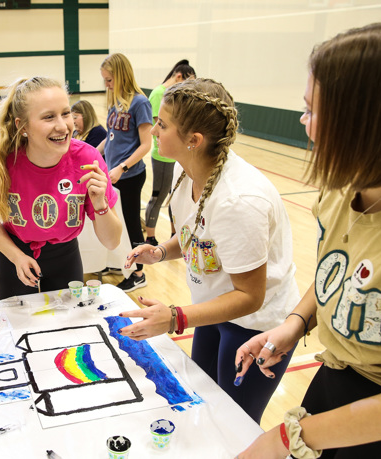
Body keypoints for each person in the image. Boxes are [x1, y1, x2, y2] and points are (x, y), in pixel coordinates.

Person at [235, 22, 381, 458]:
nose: (304, 123)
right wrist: (295, 323)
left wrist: (282, 440)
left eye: (313, 111)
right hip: (340, 377)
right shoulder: (346, 184)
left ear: (369, 124)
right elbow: (339, 274)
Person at [118, 78, 299, 424]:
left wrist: (175, 317)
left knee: (235, 425)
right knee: (202, 406)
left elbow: (250, 296)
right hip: (214, 313)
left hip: (253, 327)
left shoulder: (238, 200)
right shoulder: (188, 172)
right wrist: (161, 252)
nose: (154, 131)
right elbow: (197, 238)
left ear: (194, 141)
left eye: (163, 124)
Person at [0, 76, 122, 300]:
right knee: (16, 331)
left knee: (68, 332)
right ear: (22, 126)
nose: (63, 126)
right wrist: (16, 257)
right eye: (48, 117)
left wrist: (101, 203)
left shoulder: (87, 158)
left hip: (66, 257)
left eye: (65, 113)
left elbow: (112, 241)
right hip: (14, 256)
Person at [98, 53, 153, 292]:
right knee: (116, 223)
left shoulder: (140, 103)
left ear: (121, 76)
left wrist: (122, 167)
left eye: (109, 80)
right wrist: (89, 152)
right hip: (114, 175)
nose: (107, 85)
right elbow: (110, 139)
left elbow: (145, 145)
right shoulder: (115, 102)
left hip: (129, 176)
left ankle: (139, 273)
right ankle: (122, 262)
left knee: (131, 224)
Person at [145, 59, 196, 246]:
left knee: (174, 198)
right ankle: (150, 236)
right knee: (158, 196)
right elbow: (161, 126)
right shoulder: (160, 93)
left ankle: (175, 234)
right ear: (179, 76)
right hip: (162, 156)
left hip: (172, 156)